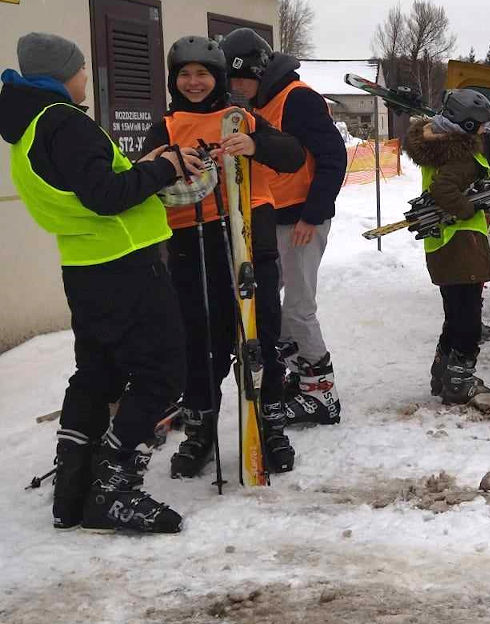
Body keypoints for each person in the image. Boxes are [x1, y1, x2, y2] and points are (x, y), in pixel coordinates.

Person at [1, 32, 204, 533]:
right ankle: (112, 487)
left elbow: (85, 191)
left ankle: (72, 492)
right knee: (162, 374)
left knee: (99, 374)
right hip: (126, 266)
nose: (86, 76)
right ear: (60, 73)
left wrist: (143, 170)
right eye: (82, 68)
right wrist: (163, 167)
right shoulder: (64, 122)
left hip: (87, 267)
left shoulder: (27, 130)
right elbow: (105, 195)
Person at [141, 36, 305, 476]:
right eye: (185, 74)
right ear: (175, 79)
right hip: (191, 240)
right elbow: (143, 176)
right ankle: (199, 430)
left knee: (260, 336)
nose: (194, 82)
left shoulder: (242, 117)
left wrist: (255, 145)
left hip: (251, 234)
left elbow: (292, 156)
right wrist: (164, 163)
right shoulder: (167, 126)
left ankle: (270, 426)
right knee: (201, 342)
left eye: (203, 73)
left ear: (217, 77)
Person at [218, 29, 347, 427]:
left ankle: (322, 393)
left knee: (297, 309)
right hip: (273, 218)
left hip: (302, 221)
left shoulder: (298, 98)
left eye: (239, 79)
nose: (235, 88)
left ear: (257, 70)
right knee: (270, 306)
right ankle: (301, 376)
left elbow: (333, 157)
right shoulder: (263, 102)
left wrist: (313, 213)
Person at [404, 89, 490, 404]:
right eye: (482, 124)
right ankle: (460, 380)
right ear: (468, 126)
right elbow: (444, 188)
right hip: (462, 243)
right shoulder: (459, 154)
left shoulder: (435, 144)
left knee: (455, 313)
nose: (486, 129)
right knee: (469, 318)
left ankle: (443, 372)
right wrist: (471, 208)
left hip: (441, 243)